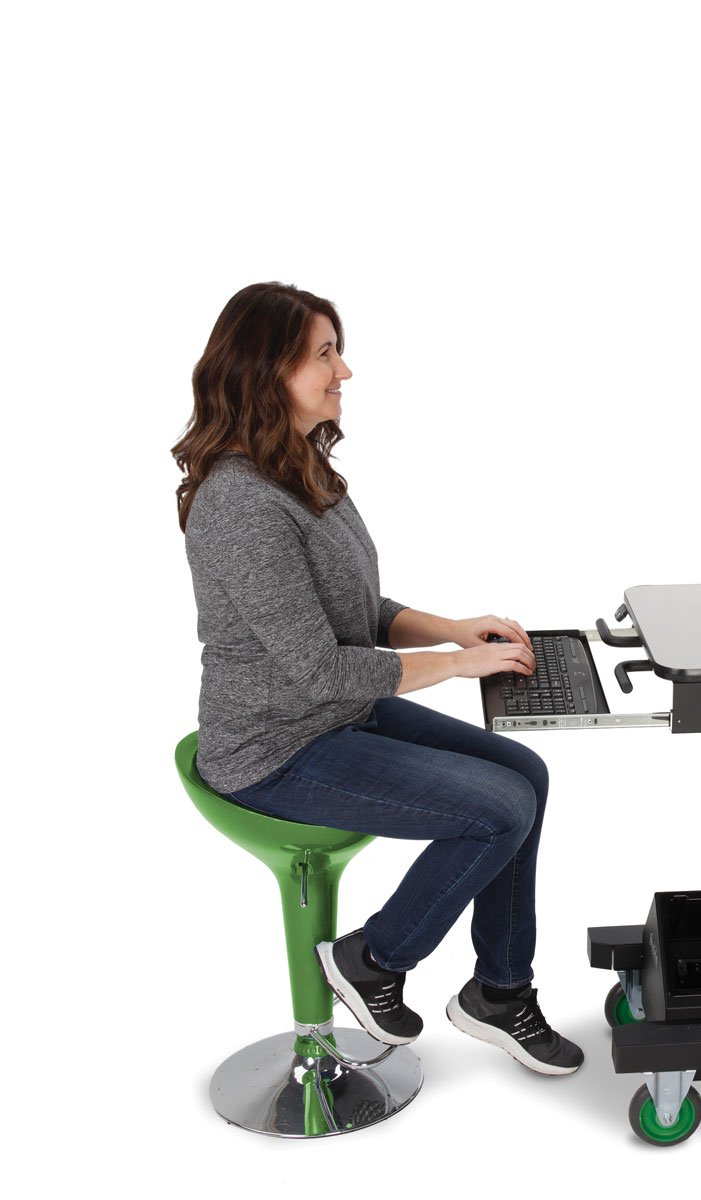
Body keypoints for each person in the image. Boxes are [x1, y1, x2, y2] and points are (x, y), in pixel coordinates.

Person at [173, 281, 583, 1075]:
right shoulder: (240, 506)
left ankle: (499, 991)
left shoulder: (302, 469)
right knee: (500, 809)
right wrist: (462, 666)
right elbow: (321, 668)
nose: (345, 372)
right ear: (269, 372)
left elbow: (361, 611)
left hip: (338, 716)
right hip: (275, 749)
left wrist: (453, 628)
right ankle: (372, 960)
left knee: (524, 770)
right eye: (325, 355)